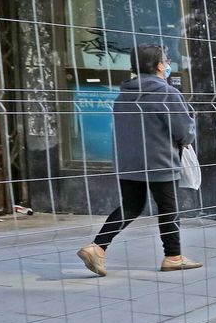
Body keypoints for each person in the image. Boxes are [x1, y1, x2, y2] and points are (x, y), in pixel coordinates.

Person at [76, 43, 201, 275]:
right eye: (166, 60)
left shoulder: (124, 93)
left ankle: (97, 247)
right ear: (159, 65)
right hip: (161, 161)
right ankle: (173, 256)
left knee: (131, 206)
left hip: (128, 162)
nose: (169, 64)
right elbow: (184, 132)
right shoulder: (168, 93)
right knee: (168, 209)